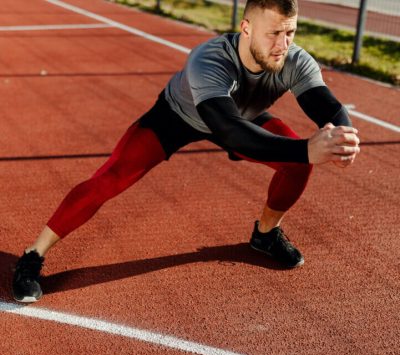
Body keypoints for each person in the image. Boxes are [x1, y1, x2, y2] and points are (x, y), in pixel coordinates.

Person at [12, 0, 360, 303]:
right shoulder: (208, 59)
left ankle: (265, 234)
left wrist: (342, 136)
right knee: (110, 179)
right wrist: (306, 149)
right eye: (274, 34)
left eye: (291, 32)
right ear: (246, 28)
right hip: (181, 116)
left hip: (239, 118)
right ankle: (32, 255)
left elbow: (325, 106)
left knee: (298, 166)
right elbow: (228, 129)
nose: (283, 44)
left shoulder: (294, 60)